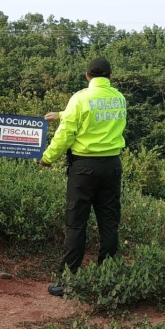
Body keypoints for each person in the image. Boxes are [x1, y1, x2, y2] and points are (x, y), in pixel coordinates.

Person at [39, 57, 127, 297]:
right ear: (110, 76)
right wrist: (60, 113)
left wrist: (48, 157)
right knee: (109, 222)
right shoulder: (119, 98)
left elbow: (66, 133)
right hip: (112, 166)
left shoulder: (79, 98)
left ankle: (68, 279)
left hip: (84, 169)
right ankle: (107, 276)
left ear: (87, 76)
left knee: (76, 223)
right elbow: (95, 116)